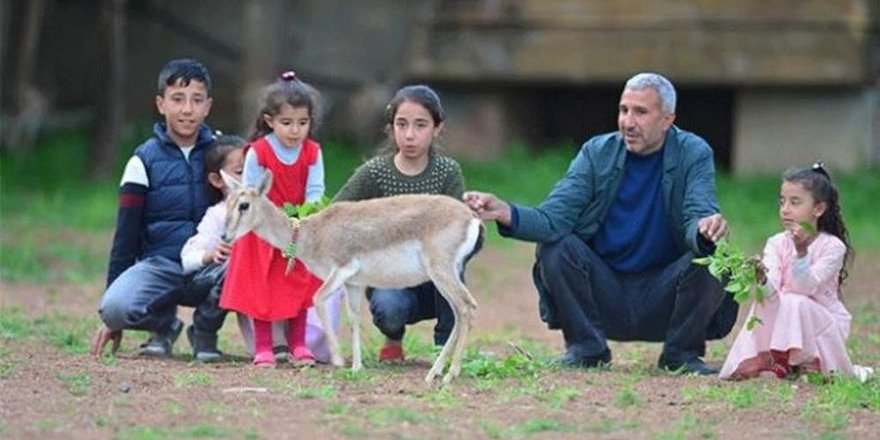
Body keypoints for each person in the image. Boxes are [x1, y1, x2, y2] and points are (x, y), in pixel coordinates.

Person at [464, 72, 738, 375]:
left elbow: (698, 211)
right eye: (624, 110)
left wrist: (705, 229)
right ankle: (586, 349)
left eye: (641, 112)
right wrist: (505, 211)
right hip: (604, 292)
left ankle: (681, 354)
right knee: (557, 247)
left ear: (667, 119)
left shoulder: (694, 152)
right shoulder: (597, 152)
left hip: (666, 294)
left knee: (715, 259)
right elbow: (553, 220)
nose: (628, 122)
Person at [91, 58, 218, 358]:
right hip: (161, 267)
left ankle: (205, 332)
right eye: (177, 99)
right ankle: (163, 326)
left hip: (208, 266)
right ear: (161, 104)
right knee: (115, 307)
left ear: (208, 106)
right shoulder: (142, 161)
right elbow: (125, 237)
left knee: (246, 269)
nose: (187, 109)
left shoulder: (223, 153)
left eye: (196, 100)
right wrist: (113, 311)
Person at [180, 134, 343, 363]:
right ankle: (207, 334)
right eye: (240, 173)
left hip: (291, 300)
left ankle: (301, 343)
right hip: (246, 297)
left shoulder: (277, 217)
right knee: (242, 273)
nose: (249, 184)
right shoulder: (220, 215)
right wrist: (209, 255)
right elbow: (188, 258)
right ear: (220, 180)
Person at [333, 84, 465, 362]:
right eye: (401, 124)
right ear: (390, 127)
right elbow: (336, 213)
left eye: (421, 125)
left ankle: (445, 345)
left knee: (453, 267)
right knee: (388, 308)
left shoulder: (447, 172)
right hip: (391, 273)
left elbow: (459, 231)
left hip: (434, 272)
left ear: (437, 128)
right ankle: (393, 335)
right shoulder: (375, 172)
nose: (410, 135)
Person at [220, 71, 326, 367]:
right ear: (270, 121)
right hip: (262, 231)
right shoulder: (258, 152)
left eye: (302, 123)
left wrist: (305, 214)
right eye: (287, 123)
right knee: (261, 285)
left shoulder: (312, 152)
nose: (295, 131)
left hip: (296, 230)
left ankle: (299, 344)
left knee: (300, 284)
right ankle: (263, 346)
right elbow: (251, 192)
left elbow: (316, 189)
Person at [720, 163, 855, 380]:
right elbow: (771, 295)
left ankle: (807, 360)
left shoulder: (832, 247)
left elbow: (804, 288)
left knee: (794, 300)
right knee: (767, 301)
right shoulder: (776, 243)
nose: (785, 209)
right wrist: (762, 278)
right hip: (787, 313)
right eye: (782, 201)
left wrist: (801, 255)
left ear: (818, 209)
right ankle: (777, 358)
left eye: (795, 202)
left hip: (821, 323)